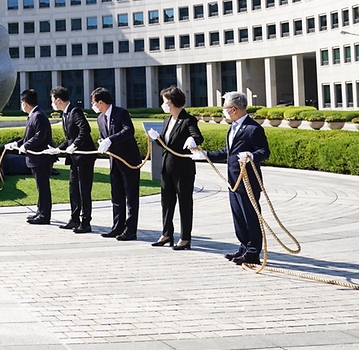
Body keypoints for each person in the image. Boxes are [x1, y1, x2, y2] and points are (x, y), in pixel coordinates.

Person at [204, 91, 271, 265]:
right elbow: (228, 152)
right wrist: (205, 154)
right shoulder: (232, 127)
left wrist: (251, 155)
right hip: (233, 181)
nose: (223, 111)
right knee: (238, 216)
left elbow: (264, 152)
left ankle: (253, 252)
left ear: (234, 109)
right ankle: (244, 246)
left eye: (225, 108)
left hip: (248, 181)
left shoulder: (253, 128)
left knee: (250, 216)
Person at [146, 86, 203, 251]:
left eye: (165, 101)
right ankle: (166, 234)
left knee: (185, 204)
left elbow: (197, 137)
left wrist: (192, 141)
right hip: (167, 168)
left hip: (183, 169)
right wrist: (156, 138)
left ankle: (185, 238)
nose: (163, 104)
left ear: (171, 102)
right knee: (166, 203)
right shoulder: (167, 120)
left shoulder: (188, 120)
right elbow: (166, 143)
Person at [91, 86, 141, 241]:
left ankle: (130, 230)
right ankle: (117, 227)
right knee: (116, 195)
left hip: (128, 160)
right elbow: (103, 135)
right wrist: (102, 140)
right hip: (114, 161)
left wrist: (110, 139)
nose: (93, 106)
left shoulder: (121, 113)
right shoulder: (100, 118)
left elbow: (128, 131)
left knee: (130, 196)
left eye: (94, 103)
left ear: (100, 102)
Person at [6, 89, 56, 225]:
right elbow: (28, 137)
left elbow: (40, 136)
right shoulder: (33, 115)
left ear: (25, 103)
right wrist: (16, 144)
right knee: (40, 187)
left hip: (41, 158)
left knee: (43, 187)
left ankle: (44, 215)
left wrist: (26, 146)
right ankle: (40, 212)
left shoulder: (38, 115)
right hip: (35, 159)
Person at [52, 86, 96, 234]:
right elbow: (69, 138)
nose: (52, 103)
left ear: (58, 100)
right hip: (74, 158)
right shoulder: (65, 114)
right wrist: (58, 149)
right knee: (73, 189)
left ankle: (86, 222)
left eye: (53, 100)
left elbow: (85, 130)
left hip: (84, 156)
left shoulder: (74, 111)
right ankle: (74, 218)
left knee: (84, 189)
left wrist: (75, 145)